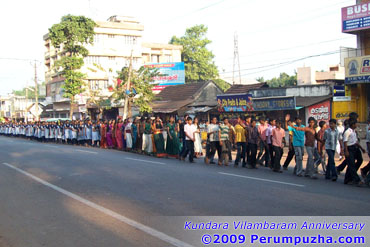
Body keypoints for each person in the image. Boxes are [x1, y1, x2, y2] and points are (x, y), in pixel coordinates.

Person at [343, 119, 365, 186]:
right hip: (349, 148)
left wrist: (361, 148)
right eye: (356, 124)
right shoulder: (347, 132)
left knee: (360, 160)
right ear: (353, 125)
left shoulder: (354, 131)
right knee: (351, 164)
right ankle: (356, 180)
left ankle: (348, 178)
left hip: (355, 148)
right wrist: (346, 151)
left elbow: (355, 141)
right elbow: (345, 142)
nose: (357, 125)